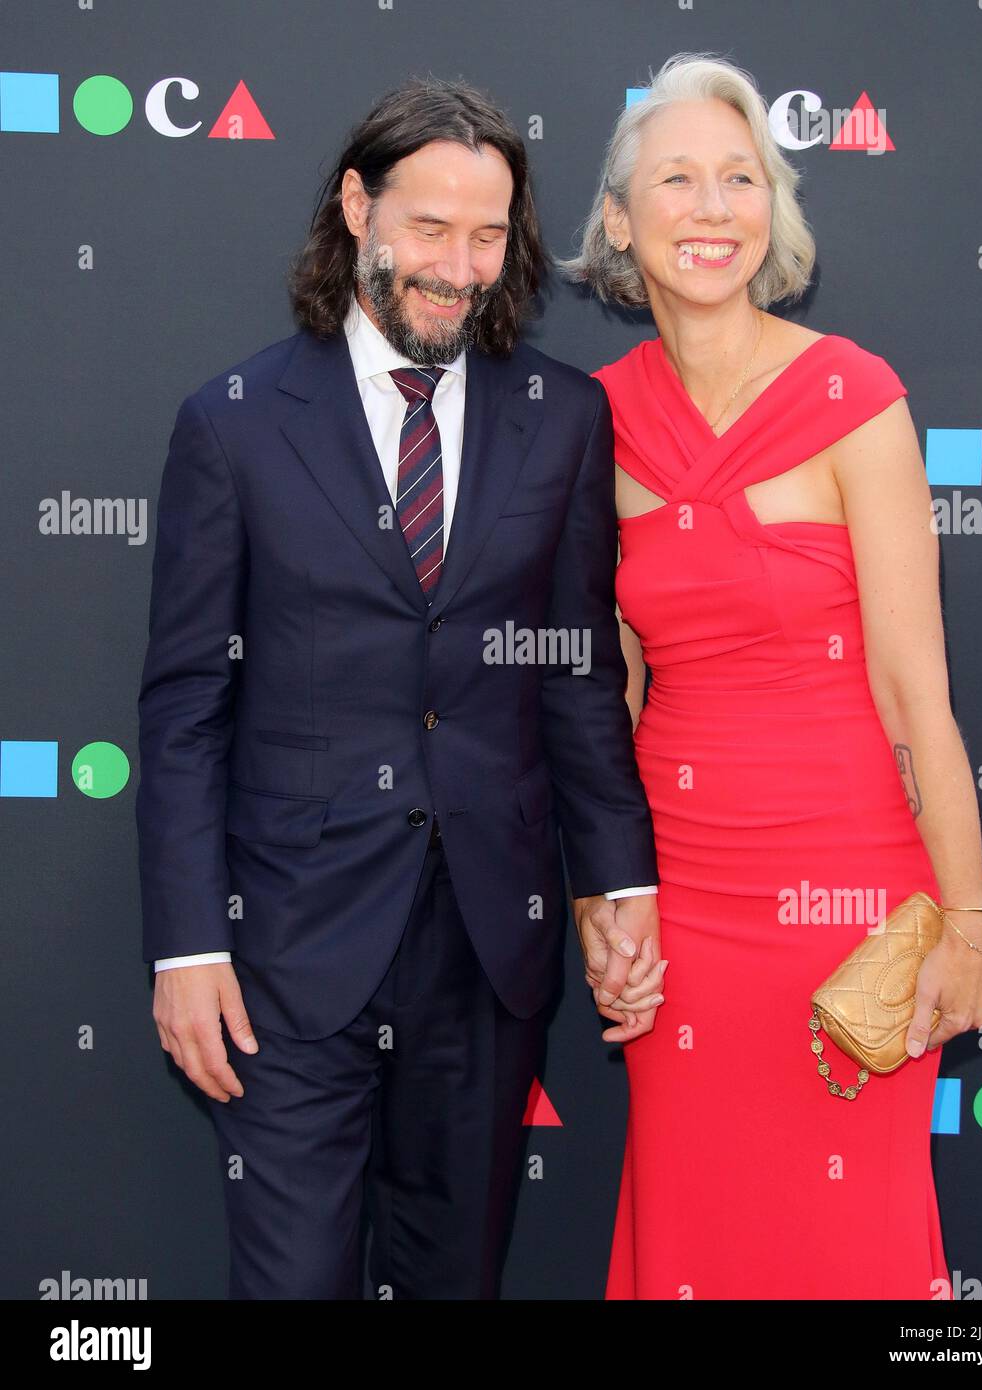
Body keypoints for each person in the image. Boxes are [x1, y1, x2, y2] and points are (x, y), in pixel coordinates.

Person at [136, 75, 664, 1301]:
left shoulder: (566, 419)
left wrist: (619, 881)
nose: (461, 267)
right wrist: (183, 947)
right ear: (358, 206)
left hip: (489, 947)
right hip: (288, 953)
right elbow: (182, 713)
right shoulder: (235, 423)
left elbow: (579, 675)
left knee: (454, 1281)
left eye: (489, 237)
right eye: (431, 228)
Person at [559, 51, 982, 1299]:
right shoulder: (592, 423)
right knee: (698, 1229)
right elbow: (614, 697)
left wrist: (968, 925)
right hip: (684, 907)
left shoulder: (854, 398)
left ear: (774, 209)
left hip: (855, 903)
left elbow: (920, 690)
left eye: (740, 179)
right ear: (617, 221)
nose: (711, 209)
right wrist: (606, 903)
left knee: (848, 1244)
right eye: (679, 180)